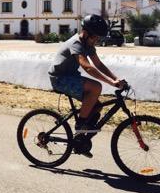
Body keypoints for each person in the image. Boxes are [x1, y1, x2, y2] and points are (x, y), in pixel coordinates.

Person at [48, 14, 128, 142]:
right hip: (59, 78)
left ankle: (80, 140)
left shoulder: (88, 44)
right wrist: (111, 83)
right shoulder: (76, 44)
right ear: (85, 33)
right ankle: (80, 125)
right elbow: (88, 67)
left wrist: (116, 79)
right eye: (95, 37)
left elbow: (98, 64)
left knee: (96, 106)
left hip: (70, 76)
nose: (96, 40)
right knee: (96, 87)